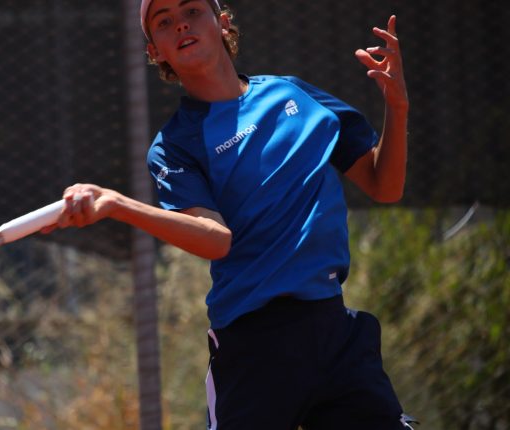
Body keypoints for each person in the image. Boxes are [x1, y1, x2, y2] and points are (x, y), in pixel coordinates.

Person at [49, 0, 411, 428]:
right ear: (155, 52)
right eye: (163, 21)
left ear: (222, 23)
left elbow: (384, 186)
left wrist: (397, 106)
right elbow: (215, 239)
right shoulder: (175, 145)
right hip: (254, 345)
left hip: (336, 332)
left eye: (192, 10)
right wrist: (117, 204)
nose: (181, 23)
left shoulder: (294, 95)